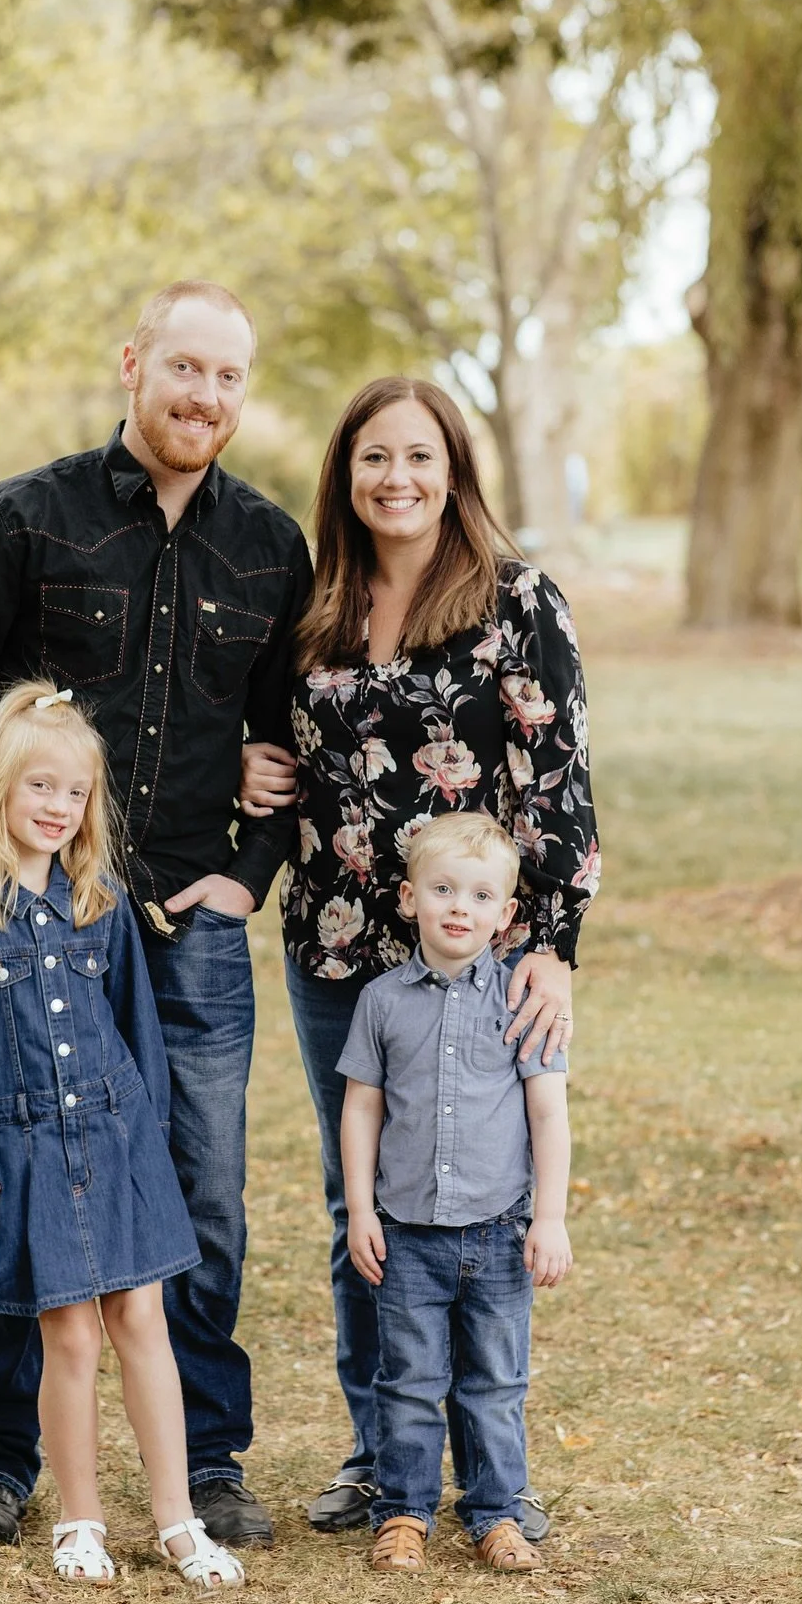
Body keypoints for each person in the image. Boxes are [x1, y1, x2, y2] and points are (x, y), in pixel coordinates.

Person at [0, 281, 311, 1551]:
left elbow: (296, 736)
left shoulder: (269, 547)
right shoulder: (24, 520)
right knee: (12, 1176)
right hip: (29, 922)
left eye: (228, 377)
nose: (204, 397)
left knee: (203, 1195)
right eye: (184, 368)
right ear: (133, 365)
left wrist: (255, 865)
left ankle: (209, 1461)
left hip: (188, 925)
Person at [238, 375, 599, 1535]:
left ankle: (492, 1476)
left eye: (420, 457)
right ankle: (381, 1462)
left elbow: (559, 785)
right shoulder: (312, 607)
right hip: (339, 953)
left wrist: (552, 949)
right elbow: (264, 736)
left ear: (456, 471)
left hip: (476, 963)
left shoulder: (517, 601)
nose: (397, 479)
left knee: (484, 1211)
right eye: (373, 459)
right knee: (367, 1209)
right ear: (345, 475)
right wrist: (252, 769)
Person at [0, 680, 245, 1591]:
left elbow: (139, 1034)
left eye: (76, 792)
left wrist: (155, 1150)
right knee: (72, 1341)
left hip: (119, 1143)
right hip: (25, 1158)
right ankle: (79, 1520)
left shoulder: (102, 905)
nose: (58, 807)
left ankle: (178, 1524)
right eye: (39, 787)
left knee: (143, 1325)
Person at [338, 811, 572, 1574]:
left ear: (506, 915)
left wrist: (552, 1218)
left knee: (495, 1382)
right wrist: (362, 1211)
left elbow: (548, 1111)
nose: (458, 907)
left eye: (478, 895)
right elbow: (363, 1107)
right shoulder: (380, 1001)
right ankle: (403, 1511)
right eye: (442, 889)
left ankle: (496, 1512)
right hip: (407, 1234)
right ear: (409, 899)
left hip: (499, 1233)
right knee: (406, 1380)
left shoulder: (520, 999)